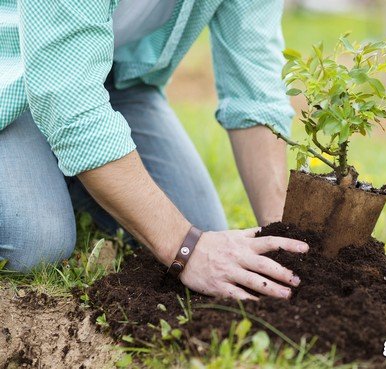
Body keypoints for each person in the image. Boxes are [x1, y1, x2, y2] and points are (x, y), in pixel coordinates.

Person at [0, 0, 309, 300]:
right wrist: (186, 249)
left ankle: (65, 165)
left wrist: (284, 240)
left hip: (116, 79)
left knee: (201, 228)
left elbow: (255, 88)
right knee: (35, 242)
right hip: (13, 68)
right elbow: (69, 98)